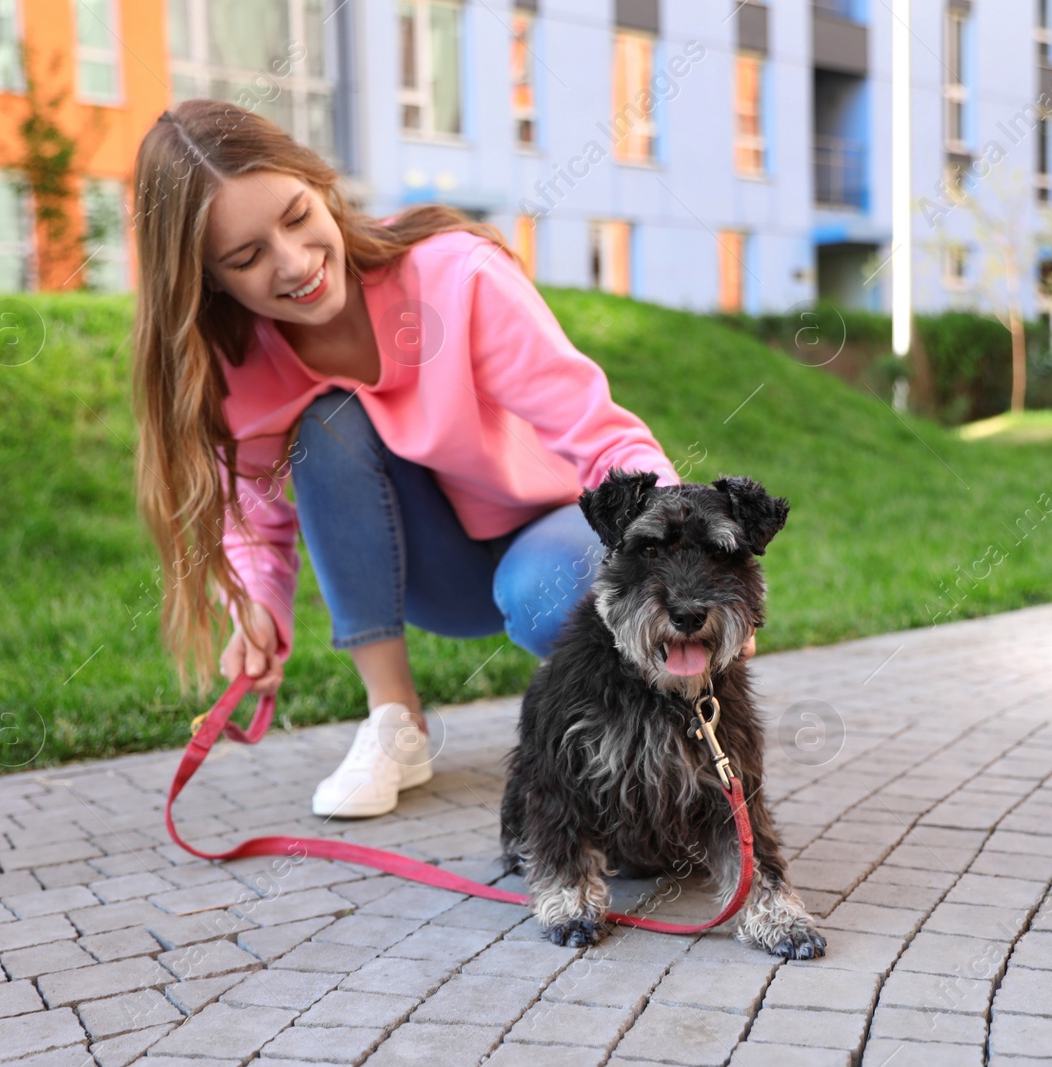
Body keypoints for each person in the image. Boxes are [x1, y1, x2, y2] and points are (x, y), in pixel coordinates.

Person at [129, 100, 755, 820]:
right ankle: (393, 719)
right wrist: (261, 606)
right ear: (208, 280)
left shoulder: (455, 276)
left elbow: (602, 434)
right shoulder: (233, 366)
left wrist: (691, 566)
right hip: (434, 570)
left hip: (548, 534)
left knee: (551, 586)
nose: (294, 262)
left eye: (298, 217)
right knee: (328, 422)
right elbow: (254, 518)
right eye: (246, 257)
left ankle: (656, 725)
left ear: (321, 186)